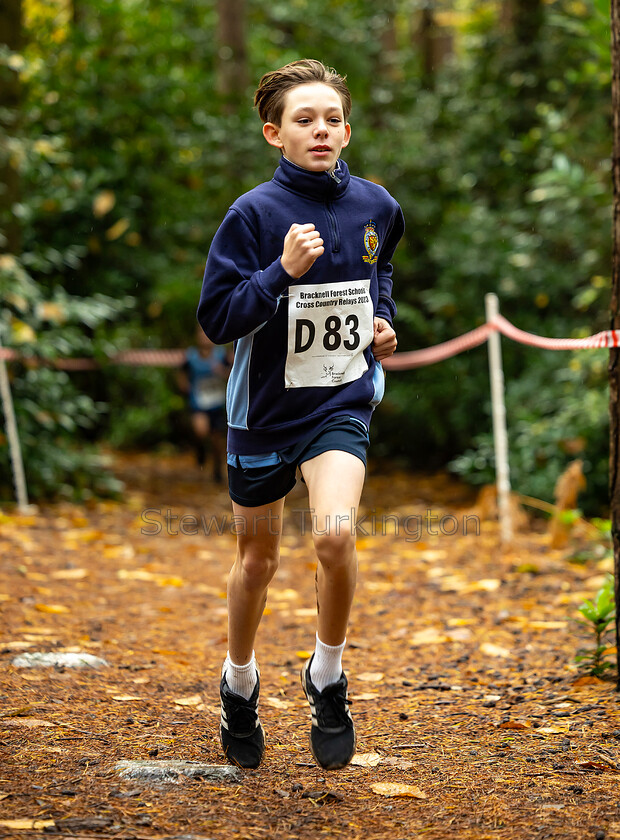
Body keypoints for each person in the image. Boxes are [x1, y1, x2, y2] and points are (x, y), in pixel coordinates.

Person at [197, 58, 404, 770]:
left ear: (348, 129)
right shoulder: (252, 216)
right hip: (262, 413)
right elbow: (218, 318)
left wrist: (382, 324)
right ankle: (240, 680)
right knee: (257, 560)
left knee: (336, 537)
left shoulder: (377, 206)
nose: (321, 130)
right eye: (304, 120)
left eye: (332, 119)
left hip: (339, 402)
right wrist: (278, 272)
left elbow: (379, 277)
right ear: (273, 133)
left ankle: (327, 674)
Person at [177, 326, 229, 482]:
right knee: (201, 431)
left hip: (217, 403)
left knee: (217, 440)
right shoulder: (191, 356)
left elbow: (233, 373)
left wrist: (222, 372)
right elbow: (181, 372)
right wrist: (184, 385)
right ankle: (200, 451)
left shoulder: (221, 355)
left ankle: (217, 470)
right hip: (198, 402)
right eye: (201, 334)